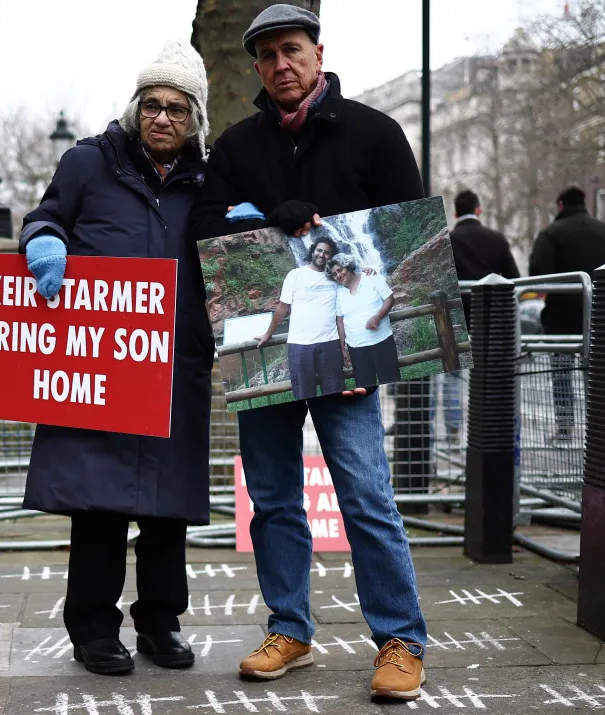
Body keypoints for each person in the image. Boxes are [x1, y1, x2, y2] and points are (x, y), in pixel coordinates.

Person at [189, 4, 428, 700]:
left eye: (291, 50)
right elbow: (207, 228)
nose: (279, 66)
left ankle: (400, 640)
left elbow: (404, 241)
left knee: (365, 494)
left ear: (318, 52)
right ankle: (289, 627)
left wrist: (374, 353)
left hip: (349, 357)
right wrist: (272, 216)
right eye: (266, 57)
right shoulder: (235, 146)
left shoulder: (375, 134)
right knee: (272, 498)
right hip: (267, 358)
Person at [17, 38, 214, 676]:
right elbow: (42, 218)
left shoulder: (209, 181)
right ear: (135, 110)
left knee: (167, 507)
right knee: (97, 503)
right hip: (102, 365)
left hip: (175, 364)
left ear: (196, 120)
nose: (162, 118)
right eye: (152, 105)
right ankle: (94, 628)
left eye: (177, 109)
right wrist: (44, 242)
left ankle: (161, 621)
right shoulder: (86, 164)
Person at [529, 185, 605, 439]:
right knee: (601, 372)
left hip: (562, 318)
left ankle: (565, 426)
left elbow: (538, 274)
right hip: (601, 317)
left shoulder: (552, 233)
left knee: (562, 373)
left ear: (561, 205)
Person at [444, 189, 520, 438]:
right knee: (490, 372)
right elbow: (515, 279)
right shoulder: (497, 239)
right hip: (490, 319)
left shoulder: (447, 239)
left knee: (453, 375)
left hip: (456, 318)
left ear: (455, 213)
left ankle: (453, 427)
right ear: (479, 210)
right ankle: (491, 425)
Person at [257, 239, 343, 399]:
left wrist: (365, 272)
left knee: (334, 392)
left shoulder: (335, 277)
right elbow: (282, 308)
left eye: (327, 252)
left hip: (331, 343)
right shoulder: (295, 275)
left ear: (331, 256)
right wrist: (268, 334)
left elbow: (353, 281)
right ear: (312, 251)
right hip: (300, 345)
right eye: (319, 250)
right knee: (304, 394)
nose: (322, 255)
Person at [327, 254, 400, 387]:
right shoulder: (339, 291)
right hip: (356, 349)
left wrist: (378, 317)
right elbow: (340, 321)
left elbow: (390, 299)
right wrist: (343, 348)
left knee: (392, 383)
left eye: (340, 270)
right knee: (365, 387)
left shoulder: (370, 277)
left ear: (348, 266)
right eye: (334, 274)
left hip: (382, 342)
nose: (338, 275)